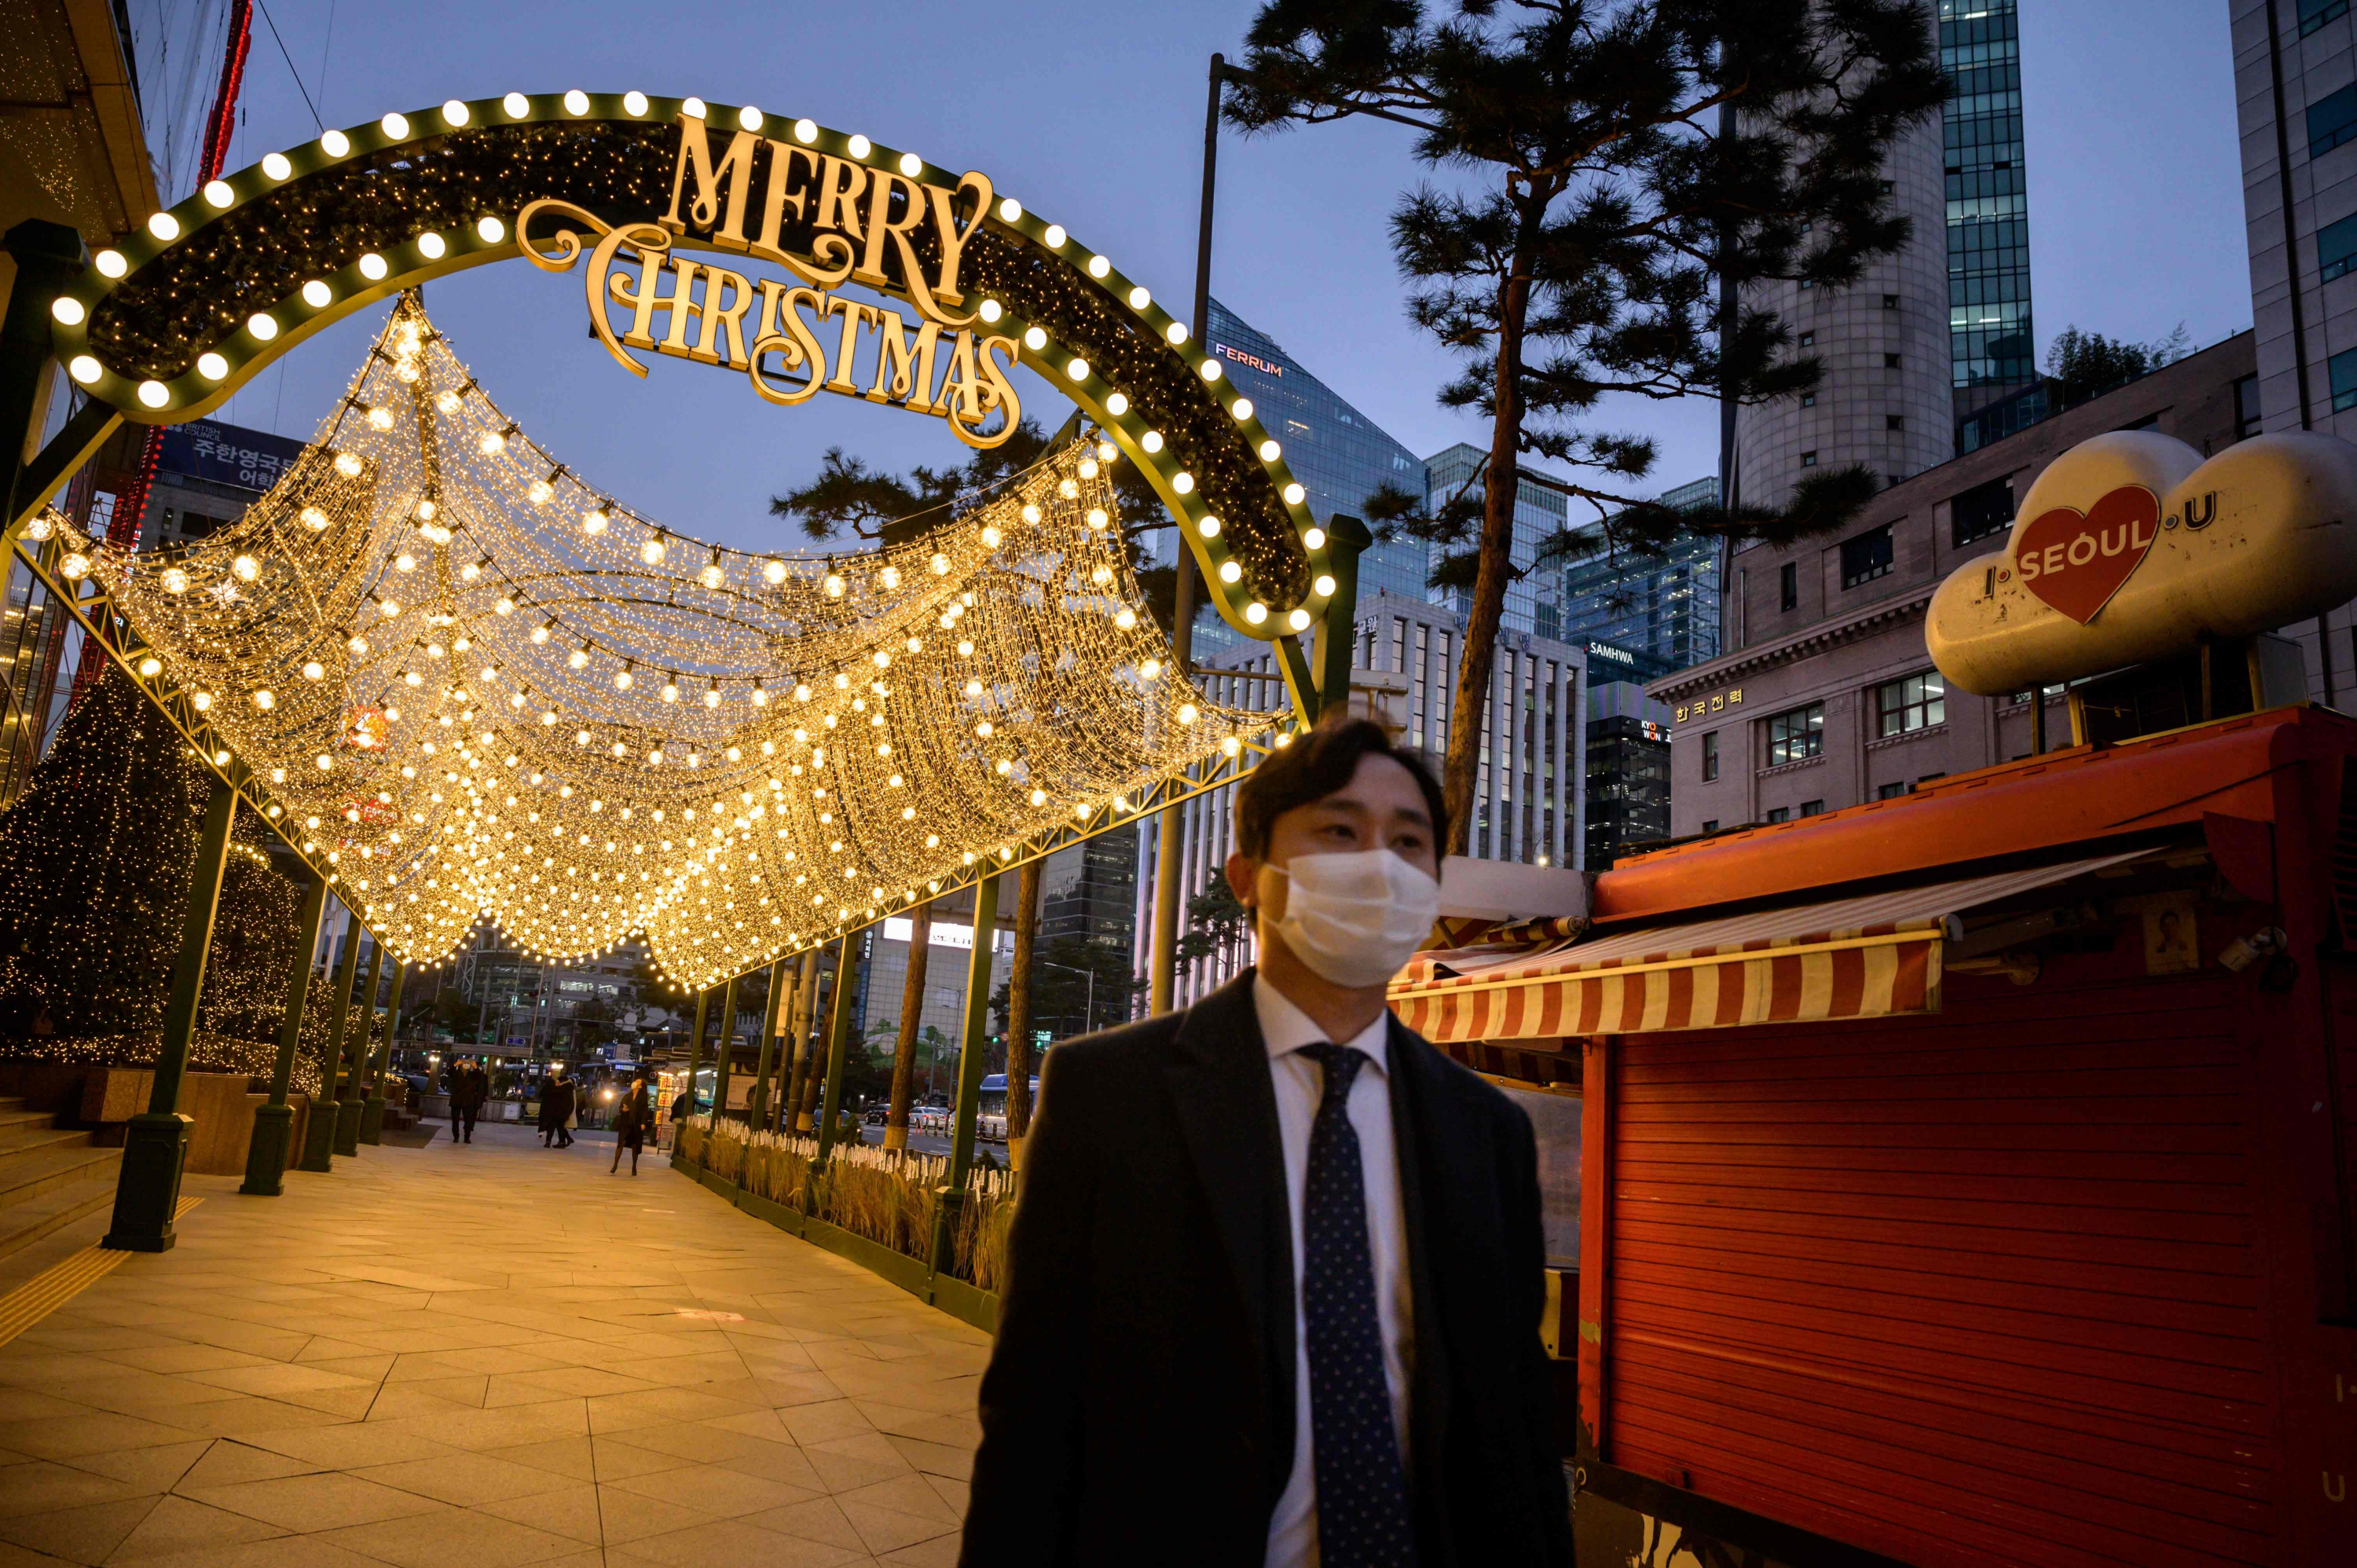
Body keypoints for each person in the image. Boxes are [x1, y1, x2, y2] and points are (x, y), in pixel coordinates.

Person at [963, 713, 1571, 1567]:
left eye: (1410, 841)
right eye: (1339, 830)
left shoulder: (1487, 1132)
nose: (1380, 864)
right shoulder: (1109, 1095)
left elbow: (1514, 1434)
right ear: (1249, 875)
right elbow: (1033, 1413)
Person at [611, 1067, 653, 1175]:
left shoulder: (643, 1098)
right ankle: (615, 1165)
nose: (634, 1083)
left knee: (635, 1147)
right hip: (625, 1123)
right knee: (620, 1144)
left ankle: (634, 1167)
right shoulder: (627, 1095)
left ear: (640, 1086)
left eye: (637, 1082)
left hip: (636, 1125)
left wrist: (643, 1123)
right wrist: (623, 1109)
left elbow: (645, 1111)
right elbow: (621, 1107)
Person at [445, 1057, 486, 1145]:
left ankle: (467, 1137)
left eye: (468, 1063)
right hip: (456, 1100)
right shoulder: (456, 1074)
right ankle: (456, 1137)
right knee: (455, 1120)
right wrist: (456, 1064)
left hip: (468, 1101)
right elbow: (449, 1073)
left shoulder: (472, 1075)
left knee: (468, 1120)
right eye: (464, 1063)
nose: (466, 1064)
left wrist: (475, 1067)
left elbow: (480, 1076)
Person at [539, 1068, 576, 1149]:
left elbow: (547, 1096)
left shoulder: (559, 1089)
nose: (557, 1083)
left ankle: (548, 1142)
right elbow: (571, 1103)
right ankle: (562, 1142)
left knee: (551, 1127)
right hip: (564, 1113)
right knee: (561, 1127)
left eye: (558, 1082)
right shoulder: (569, 1090)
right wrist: (569, 1113)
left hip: (555, 1112)